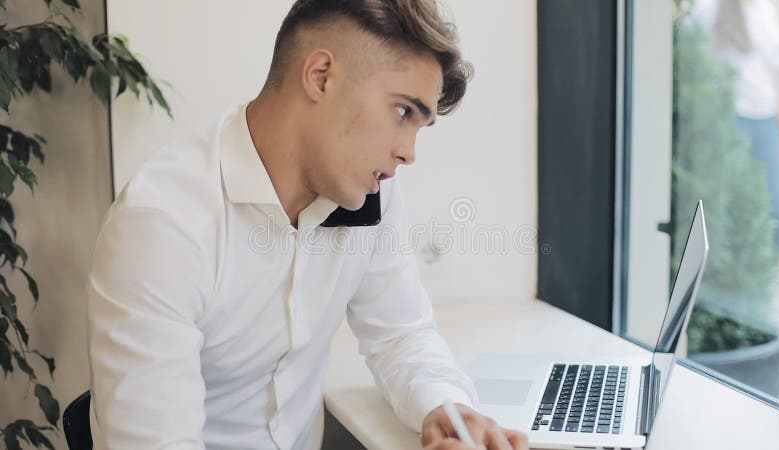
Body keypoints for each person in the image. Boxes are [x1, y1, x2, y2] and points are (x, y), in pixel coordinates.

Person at [86, 1, 527, 449]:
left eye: (420, 124)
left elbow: (402, 334)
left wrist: (448, 409)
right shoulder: (162, 225)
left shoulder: (371, 189)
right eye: (402, 112)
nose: (409, 152)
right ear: (321, 76)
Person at [696, 0, 779, 250]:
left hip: (766, 123)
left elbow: (778, 79)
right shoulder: (708, 8)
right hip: (728, 121)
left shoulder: (766, 11)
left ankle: (758, 280)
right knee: (727, 215)